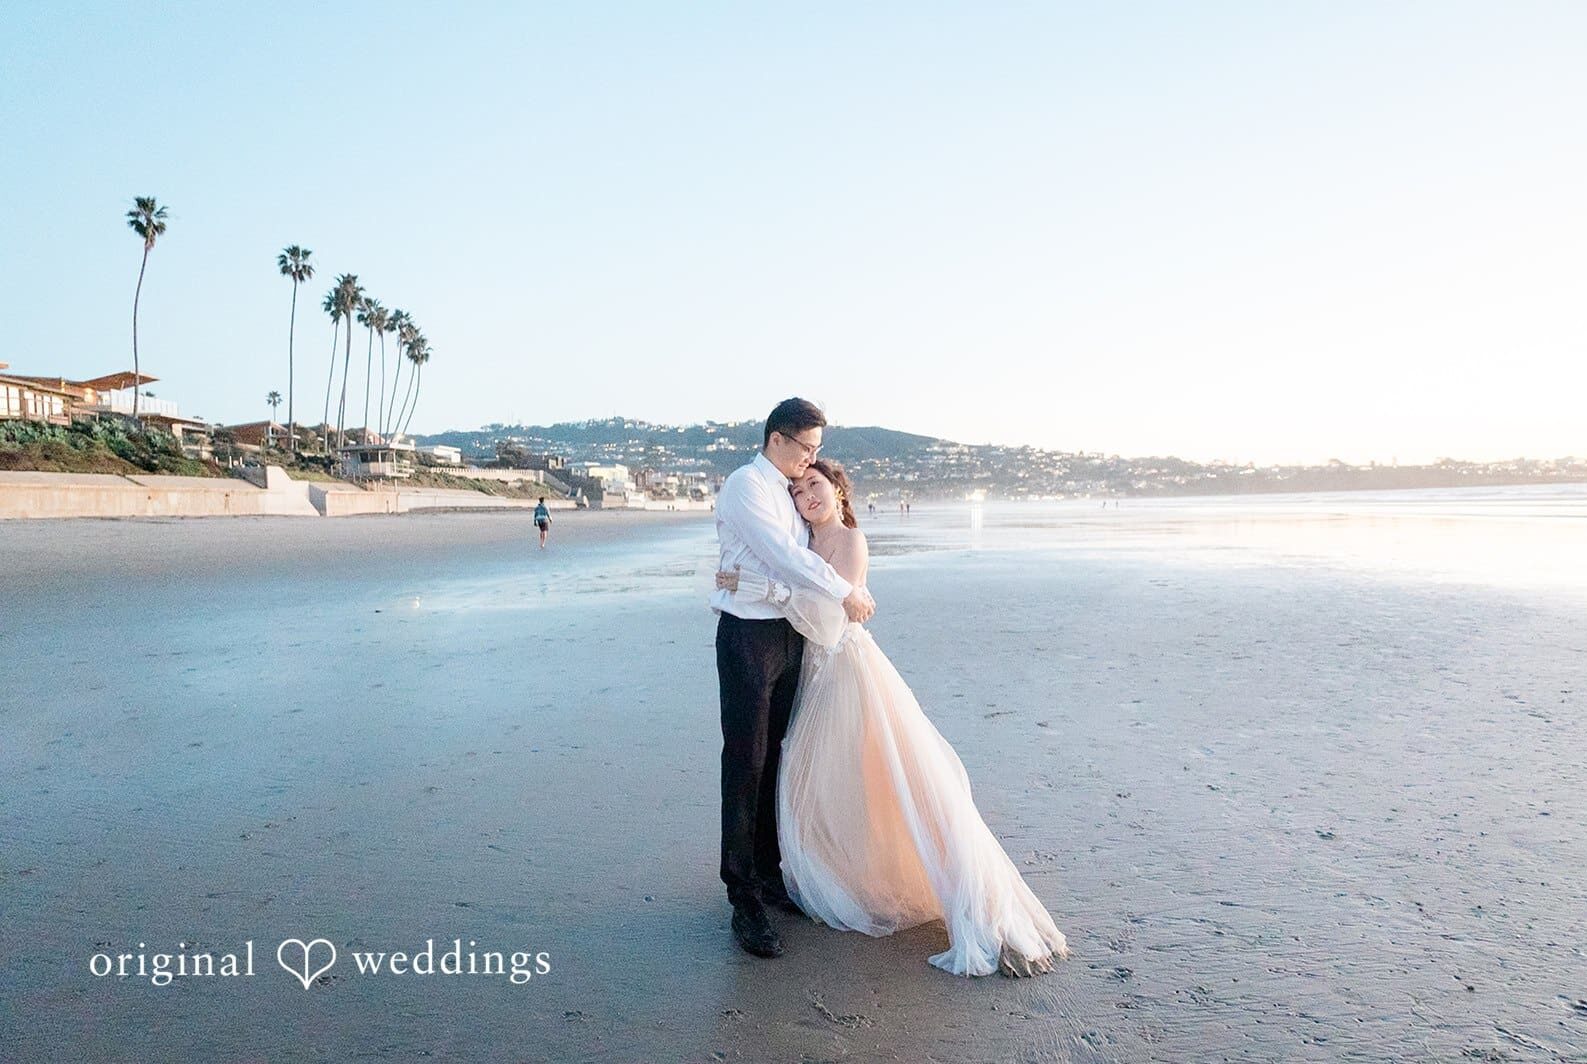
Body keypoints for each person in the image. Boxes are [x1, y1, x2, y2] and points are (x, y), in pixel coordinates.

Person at [717, 459, 1069, 978]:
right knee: (816, 781)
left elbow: (828, 617)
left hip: (841, 668)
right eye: (797, 490)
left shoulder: (850, 541)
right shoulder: (801, 541)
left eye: (815, 485)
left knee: (883, 775)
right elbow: (801, 580)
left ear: (839, 491)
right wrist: (755, 583)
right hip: (812, 668)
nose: (805, 496)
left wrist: (757, 587)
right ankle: (817, 872)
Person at [711, 398, 876, 960]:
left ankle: (768, 873)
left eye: (817, 451)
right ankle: (742, 896)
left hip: (789, 636)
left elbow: (819, 535)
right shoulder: (746, 486)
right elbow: (781, 556)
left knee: (777, 755)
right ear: (777, 439)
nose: (812, 460)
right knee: (746, 757)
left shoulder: (790, 487)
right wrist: (845, 589)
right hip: (747, 636)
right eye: (807, 447)